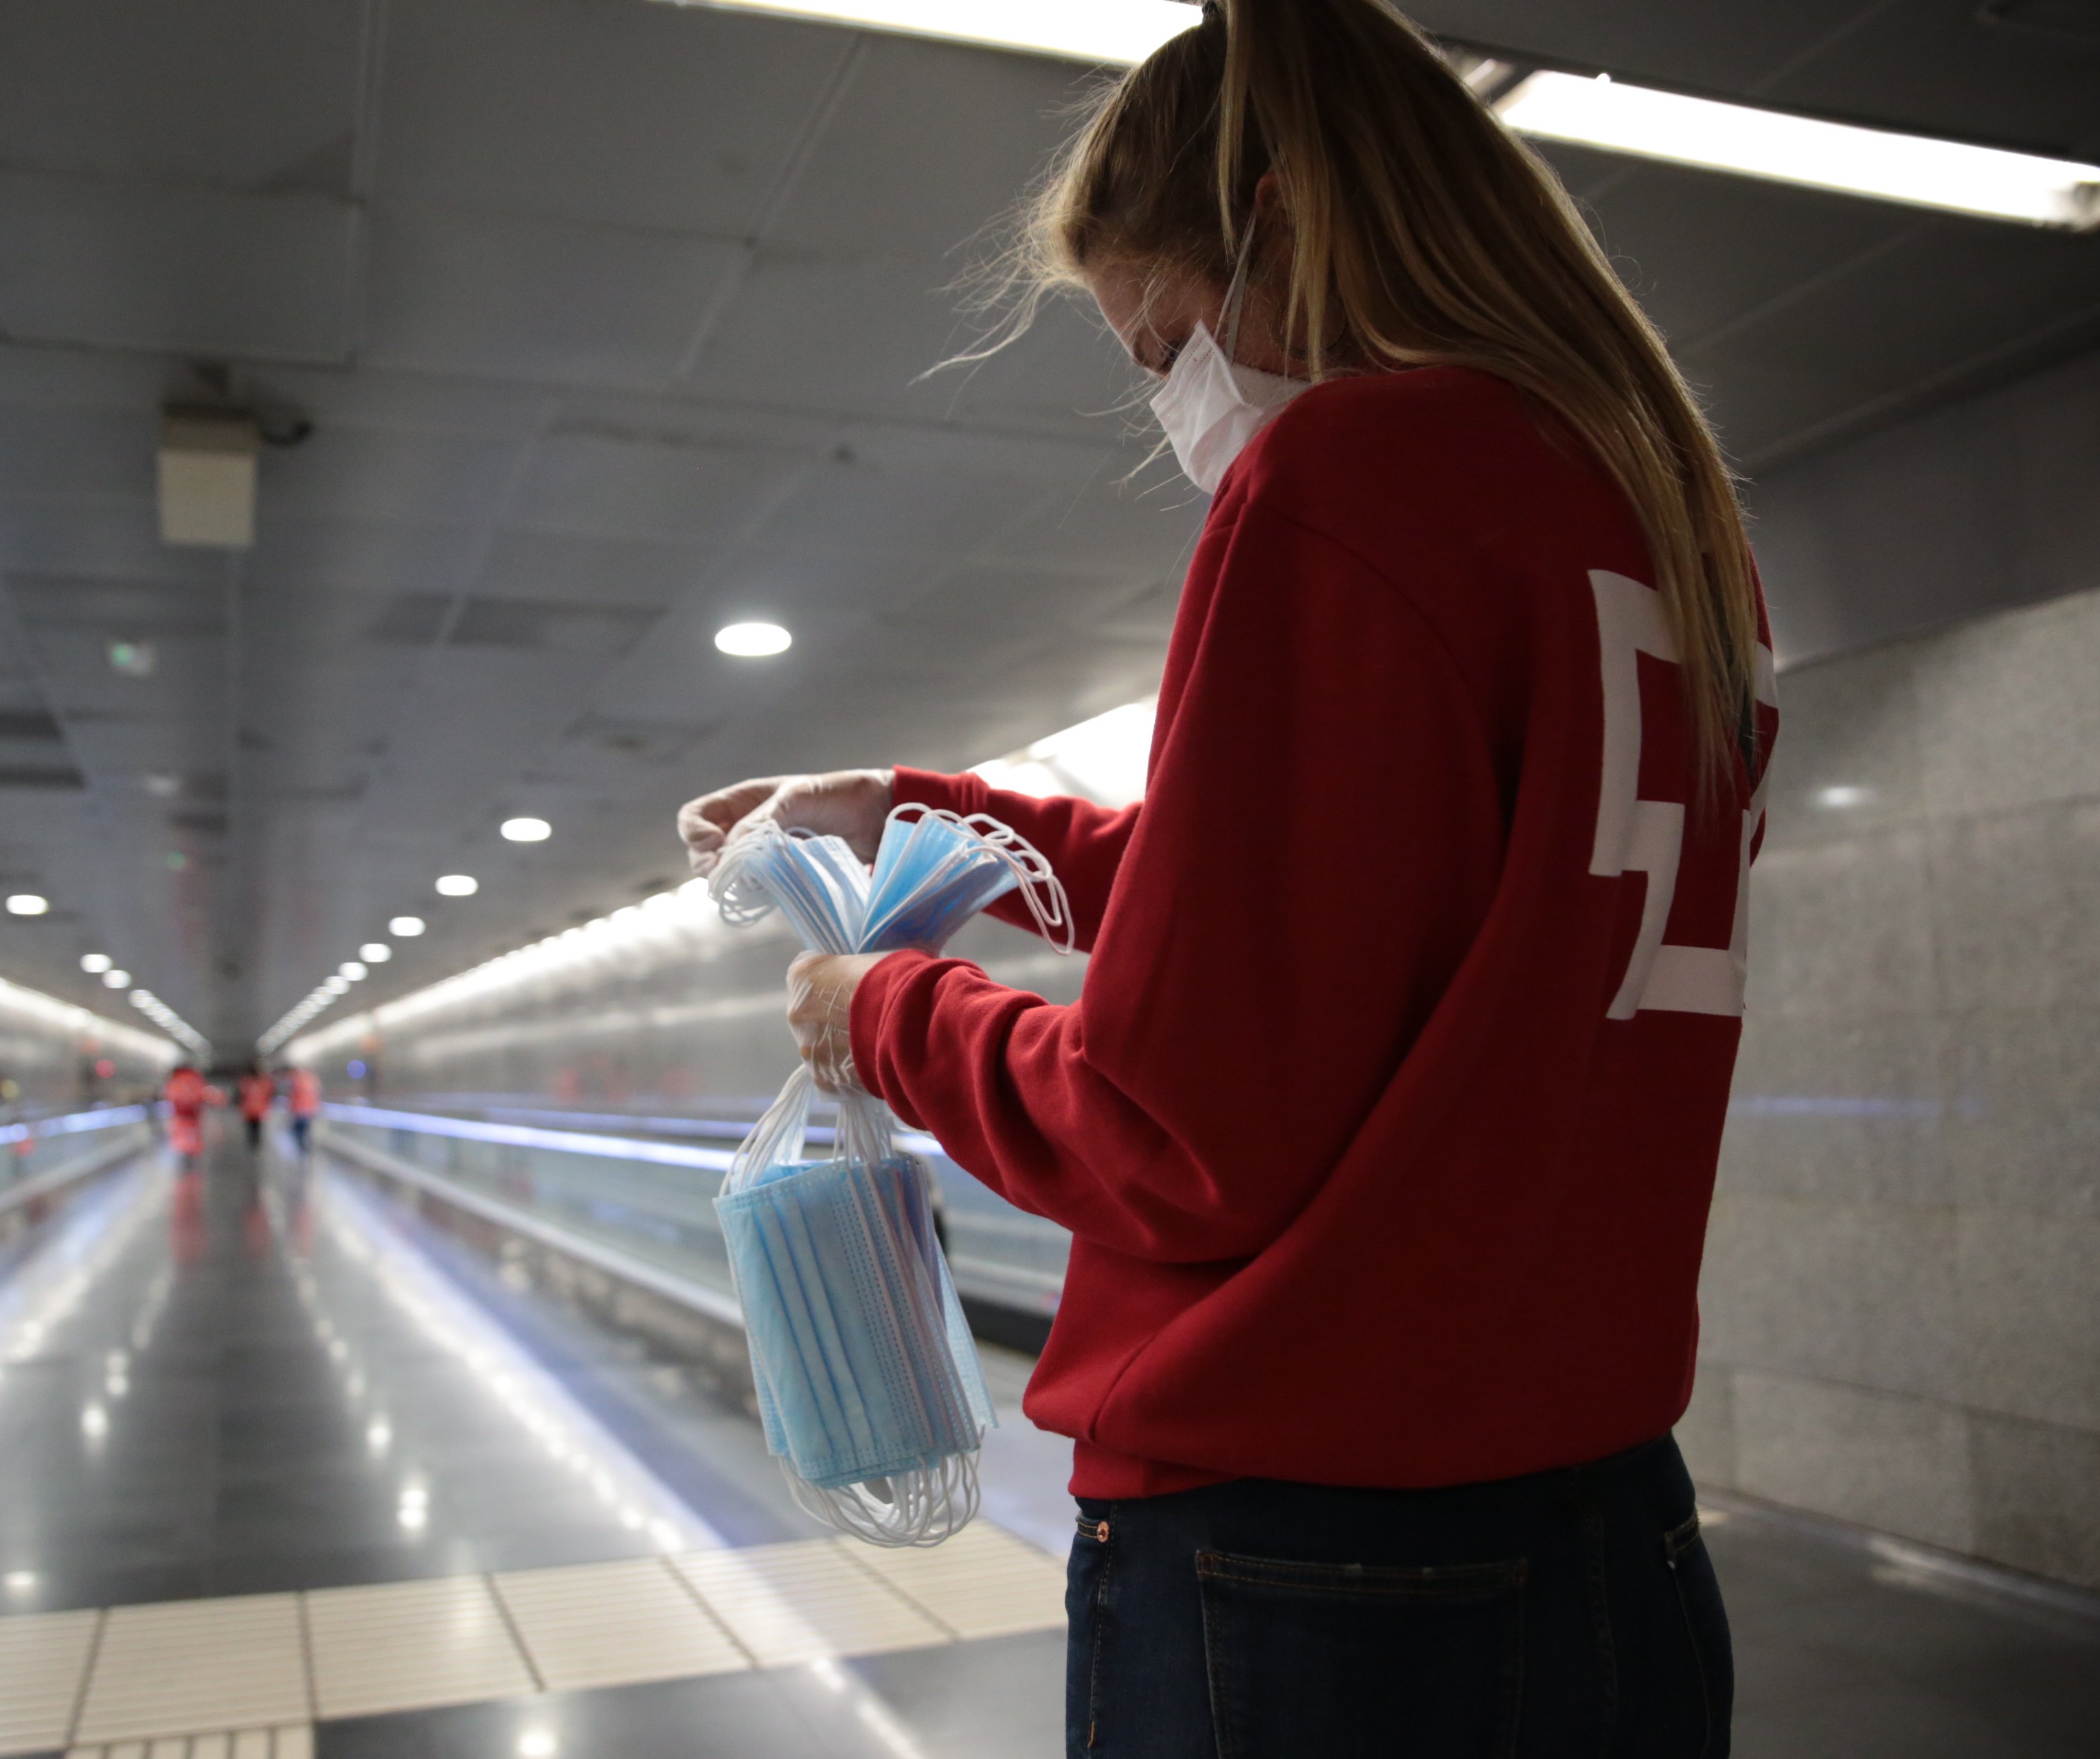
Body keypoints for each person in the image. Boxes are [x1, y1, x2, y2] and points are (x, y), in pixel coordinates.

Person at [678, 2, 1774, 1752]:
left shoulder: (1344, 474)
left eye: (1163, 336)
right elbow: (1323, 890)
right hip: (1607, 1527)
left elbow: (1171, 1130)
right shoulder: (1650, 512)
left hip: (1320, 1561)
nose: (1172, 397)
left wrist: (885, 1011)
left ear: (1280, 221)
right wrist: (915, 815)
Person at [161, 1062, 207, 1164]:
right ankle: (192, 1151)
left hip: (179, 1114)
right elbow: (201, 1094)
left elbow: (170, 1095)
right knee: (193, 1133)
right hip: (193, 1113)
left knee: (182, 1134)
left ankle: (184, 1152)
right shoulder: (195, 1077)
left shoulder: (175, 1079)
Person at [285, 1064, 321, 1157]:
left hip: (299, 1111)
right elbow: (316, 1095)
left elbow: (292, 1096)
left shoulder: (296, 1081)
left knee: (297, 1130)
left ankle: (302, 1148)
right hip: (310, 1111)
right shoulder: (313, 1080)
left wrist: (290, 1108)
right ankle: (306, 1148)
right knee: (305, 1130)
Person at [238, 1064, 276, 1150]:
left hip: (251, 1109)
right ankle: (256, 1142)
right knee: (256, 1127)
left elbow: (242, 1095)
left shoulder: (247, 1082)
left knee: (252, 1127)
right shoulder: (262, 1082)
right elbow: (269, 1093)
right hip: (257, 1109)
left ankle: (254, 1142)